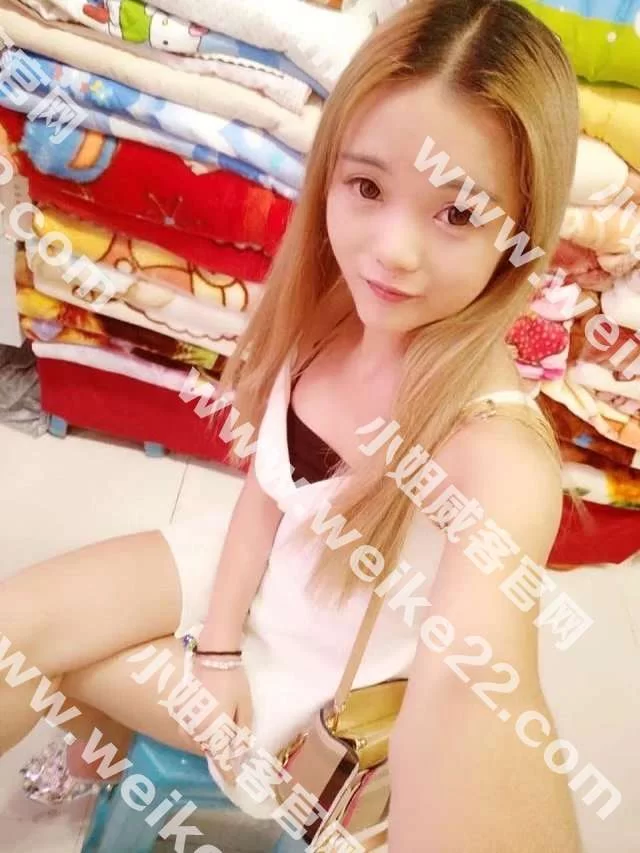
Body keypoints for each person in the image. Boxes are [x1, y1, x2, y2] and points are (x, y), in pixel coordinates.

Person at [0, 0, 583, 849]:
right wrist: (216, 647)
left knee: (57, 656)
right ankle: (104, 751)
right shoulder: (332, 307)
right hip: (255, 566)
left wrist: (232, 666)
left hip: (304, 686)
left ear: (521, 230)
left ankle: (104, 751)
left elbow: (476, 693)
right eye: (368, 186)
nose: (393, 250)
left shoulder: (496, 452)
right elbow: (268, 491)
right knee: (15, 623)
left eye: (459, 213)